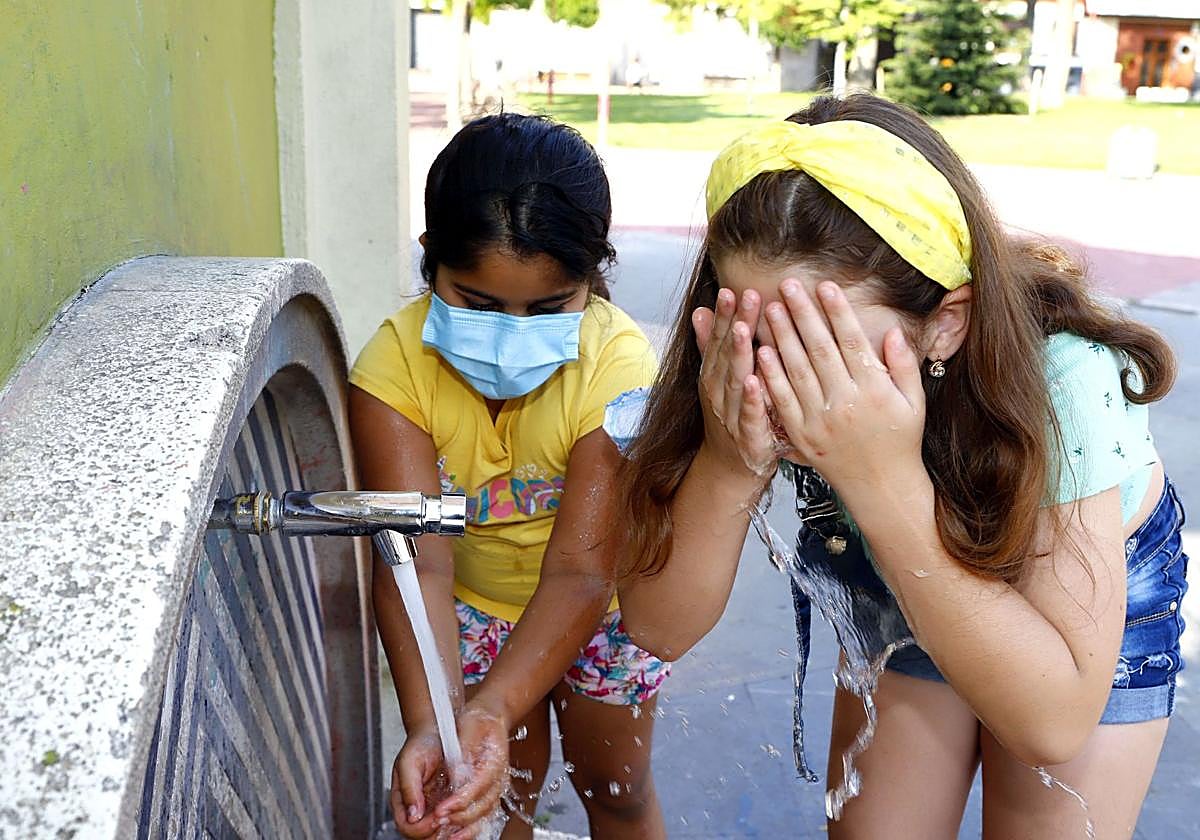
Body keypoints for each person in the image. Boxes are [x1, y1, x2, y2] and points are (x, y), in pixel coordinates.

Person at [617, 94, 1188, 839]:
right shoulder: (735, 371)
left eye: (827, 348)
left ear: (944, 323)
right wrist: (728, 462)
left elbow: (1052, 726)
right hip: (902, 559)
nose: (789, 381)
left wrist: (880, 482)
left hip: (1078, 594)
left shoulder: (1065, 383)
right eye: (761, 338)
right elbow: (656, 627)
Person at [349, 113, 669, 840]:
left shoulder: (618, 371)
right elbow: (415, 563)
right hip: (467, 608)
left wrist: (490, 707)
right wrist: (437, 721)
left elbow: (581, 576)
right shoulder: (392, 372)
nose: (512, 334)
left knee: (616, 791)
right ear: (430, 260)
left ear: (592, 278)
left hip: (605, 614)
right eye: (480, 304)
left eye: (550, 308)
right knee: (490, 798)